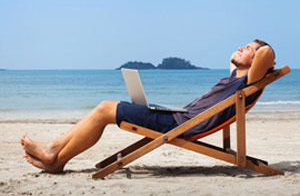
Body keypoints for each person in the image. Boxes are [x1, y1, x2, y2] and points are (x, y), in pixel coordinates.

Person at [21, 39, 275, 173]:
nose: (241, 48)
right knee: (107, 107)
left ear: (258, 61)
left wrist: (261, 51)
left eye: (249, 48)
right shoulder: (235, 77)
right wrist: (246, 51)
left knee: (104, 109)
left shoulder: (248, 82)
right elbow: (233, 56)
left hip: (179, 124)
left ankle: (55, 155)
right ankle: (54, 153)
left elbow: (265, 54)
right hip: (178, 117)